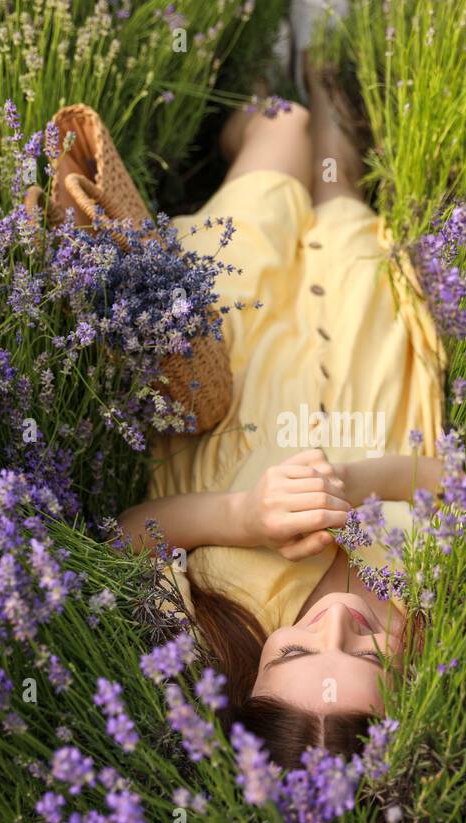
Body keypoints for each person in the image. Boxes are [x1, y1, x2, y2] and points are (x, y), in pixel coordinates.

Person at [119, 63, 446, 767]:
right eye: (368, 653)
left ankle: (241, 97)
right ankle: (325, 83)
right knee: (340, 202)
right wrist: (362, 483)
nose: (336, 624)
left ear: (250, 685)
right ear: (412, 695)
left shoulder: (213, 628)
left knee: (282, 127)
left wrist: (243, 520)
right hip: (369, 361)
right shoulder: (445, 610)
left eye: (295, 651)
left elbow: (122, 537)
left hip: (242, 353)